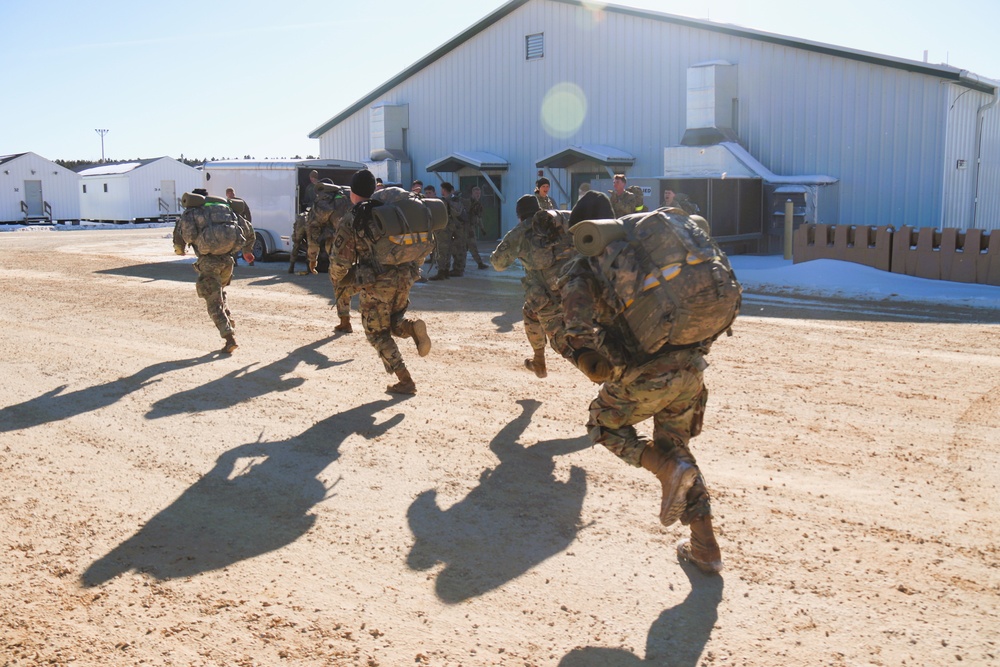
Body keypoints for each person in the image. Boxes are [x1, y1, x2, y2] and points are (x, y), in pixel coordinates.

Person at [559, 190, 723, 575]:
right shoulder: (654, 254)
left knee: (602, 424)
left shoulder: (587, 269)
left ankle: (662, 470)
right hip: (690, 370)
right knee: (676, 449)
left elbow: (576, 328)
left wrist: (589, 359)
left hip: (648, 375)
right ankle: (705, 546)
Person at [328, 169, 432, 394]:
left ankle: (405, 381)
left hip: (377, 283)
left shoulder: (355, 217)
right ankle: (411, 327)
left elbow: (339, 260)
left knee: (376, 333)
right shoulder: (391, 212)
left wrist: (338, 280)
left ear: (352, 193)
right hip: (406, 274)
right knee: (394, 320)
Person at [490, 194, 576, 378]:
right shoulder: (556, 222)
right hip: (577, 284)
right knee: (530, 311)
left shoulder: (520, 232)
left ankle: (602, 375)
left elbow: (498, 264)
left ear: (519, 215)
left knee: (562, 343)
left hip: (548, 293)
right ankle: (539, 361)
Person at [173, 190, 256, 354]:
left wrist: (180, 248)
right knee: (219, 291)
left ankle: (229, 338)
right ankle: (228, 319)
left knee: (212, 301)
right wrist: (247, 251)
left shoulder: (192, 212)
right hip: (228, 261)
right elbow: (249, 230)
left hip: (209, 261)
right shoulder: (225, 210)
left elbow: (186, 235)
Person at [428, 182, 463, 280]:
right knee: (448, 250)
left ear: (443, 190)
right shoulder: (456, 200)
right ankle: (446, 271)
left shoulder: (443, 201)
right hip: (453, 228)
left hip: (443, 229)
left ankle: (441, 272)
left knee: (441, 250)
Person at [462, 186, 489, 270]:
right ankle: (479, 263)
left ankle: (461, 265)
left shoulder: (478, 205)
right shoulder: (467, 202)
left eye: (479, 193)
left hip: (471, 227)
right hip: (465, 227)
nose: (478, 195)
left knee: (467, 247)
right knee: (470, 246)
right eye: (476, 193)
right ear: (472, 193)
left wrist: (482, 229)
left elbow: (478, 218)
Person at [226, 187, 254, 266]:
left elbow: (247, 212)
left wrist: (248, 223)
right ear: (227, 194)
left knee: (246, 244)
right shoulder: (226, 203)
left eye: (232, 193)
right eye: (230, 193)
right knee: (235, 244)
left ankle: (250, 261)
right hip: (233, 226)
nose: (232, 195)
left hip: (240, 226)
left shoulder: (239, 202)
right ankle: (235, 262)